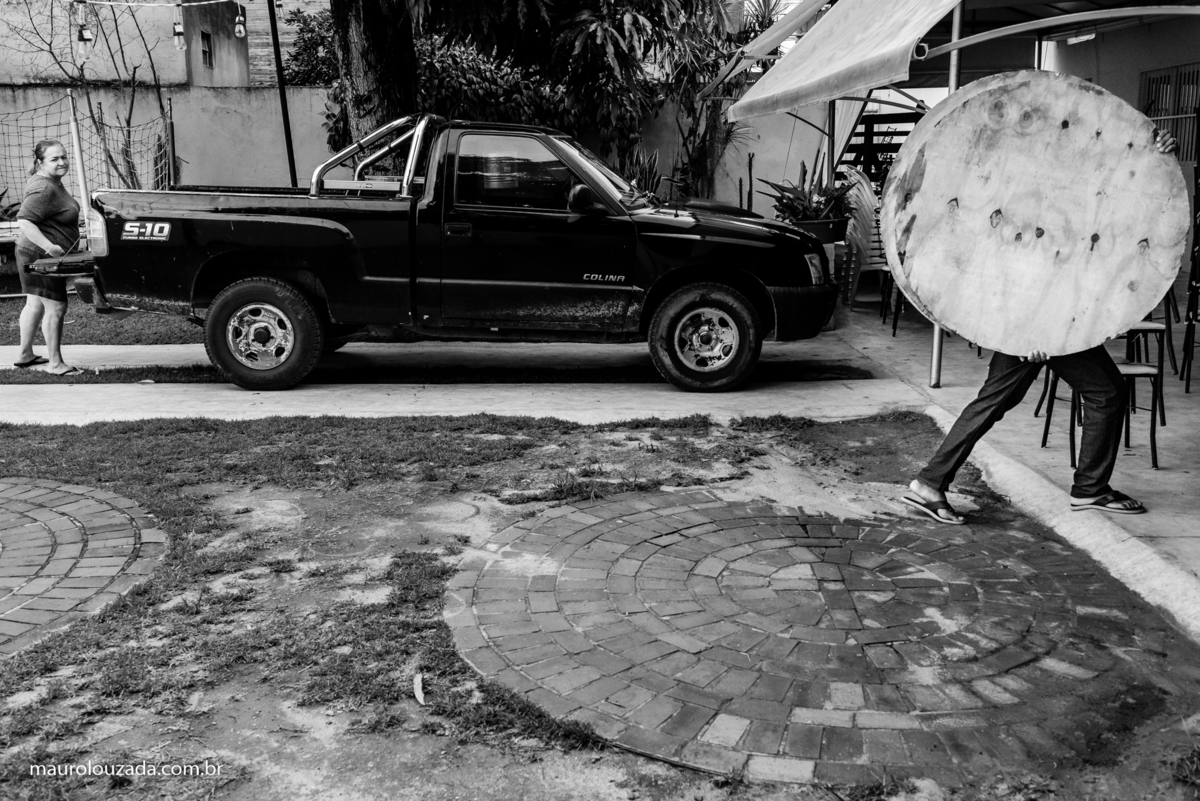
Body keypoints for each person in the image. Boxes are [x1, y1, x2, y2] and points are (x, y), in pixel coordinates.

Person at [902, 129, 1179, 523]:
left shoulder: (1075, 187)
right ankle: (1089, 489)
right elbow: (1008, 259)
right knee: (1105, 391)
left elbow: (1125, 197)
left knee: (1000, 399)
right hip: (1041, 318)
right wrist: (1034, 330)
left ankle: (930, 482)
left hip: (1051, 316)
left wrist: (1159, 155)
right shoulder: (1022, 193)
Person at [13, 139, 82, 376]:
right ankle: (55, 364)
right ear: (41, 162)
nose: (62, 162)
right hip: (40, 255)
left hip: (29, 252)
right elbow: (24, 220)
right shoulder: (45, 187)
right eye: (55, 159)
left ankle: (25, 355)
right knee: (56, 307)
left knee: (34, 304)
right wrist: (50, 247)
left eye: (64, 156)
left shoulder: (50, 181)